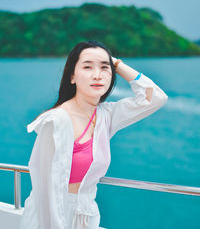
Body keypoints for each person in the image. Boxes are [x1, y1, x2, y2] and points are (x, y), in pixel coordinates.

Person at [20, 40, 168, 229]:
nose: (97, 75)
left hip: (87, 216)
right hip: (51, 217)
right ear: (72, 76)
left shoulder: (105, 115)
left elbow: (156, 98)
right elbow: (47, 190)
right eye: (87, 67)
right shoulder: (56, 121)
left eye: (104, 68)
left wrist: (117, 64)